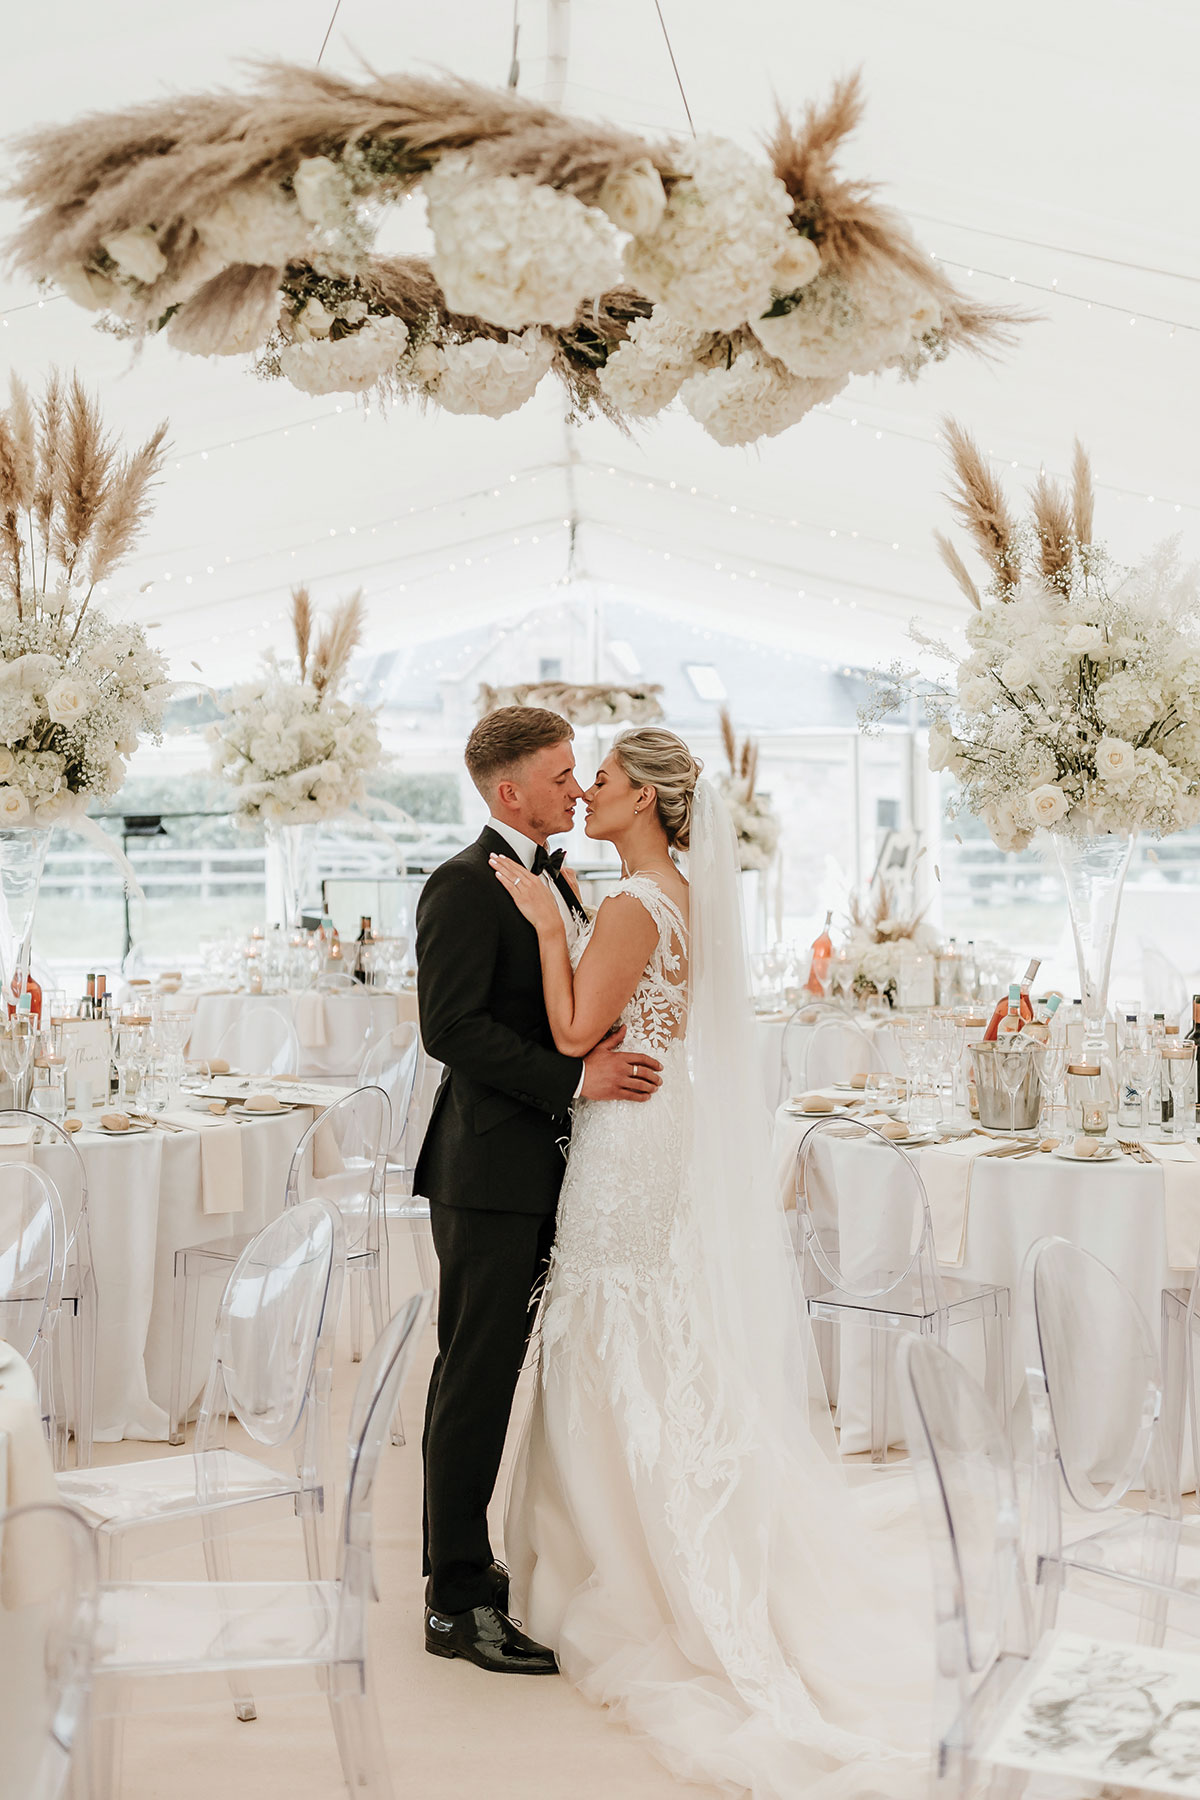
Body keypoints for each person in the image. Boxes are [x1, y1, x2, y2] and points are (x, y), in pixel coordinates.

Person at [494, 727, 931, 1798]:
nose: (586, 792)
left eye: (599, 779)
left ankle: (625, 1562)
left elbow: (571, 1031)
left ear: (643, 798)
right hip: (662, 1125)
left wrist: (552, 929)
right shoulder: (679, 893)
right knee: (649, 1320)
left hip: (628, 1142)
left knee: (616, 1320)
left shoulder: (636, 905)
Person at [415, 705, 664, 1675]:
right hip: (487, 1174)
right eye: (562, 775)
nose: (578, 787)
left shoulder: (557, 877)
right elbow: (451, 1030)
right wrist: (575, 1078)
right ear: (510, 790)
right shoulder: (461, 888)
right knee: (473, 1382)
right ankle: (455, 1601)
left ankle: (482, 1577)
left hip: (548, 1170)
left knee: (502, 1376)